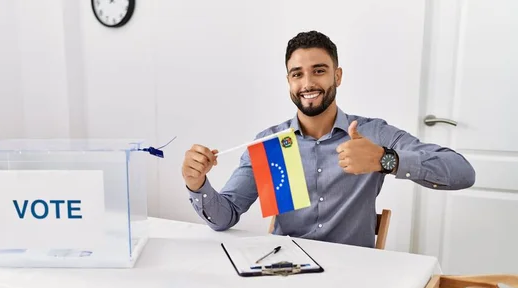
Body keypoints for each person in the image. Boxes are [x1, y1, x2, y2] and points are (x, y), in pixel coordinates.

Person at [181, 31, 475, 248]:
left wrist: (386, 160)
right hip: (283, 269)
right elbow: (225, 216)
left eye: (319, 71)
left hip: (353, 276)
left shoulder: (373, 135)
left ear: (337, 76)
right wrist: (197, 184)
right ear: (289, 82)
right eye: (297, 74)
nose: (308, 83)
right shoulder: (269, 144)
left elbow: (463, 172)